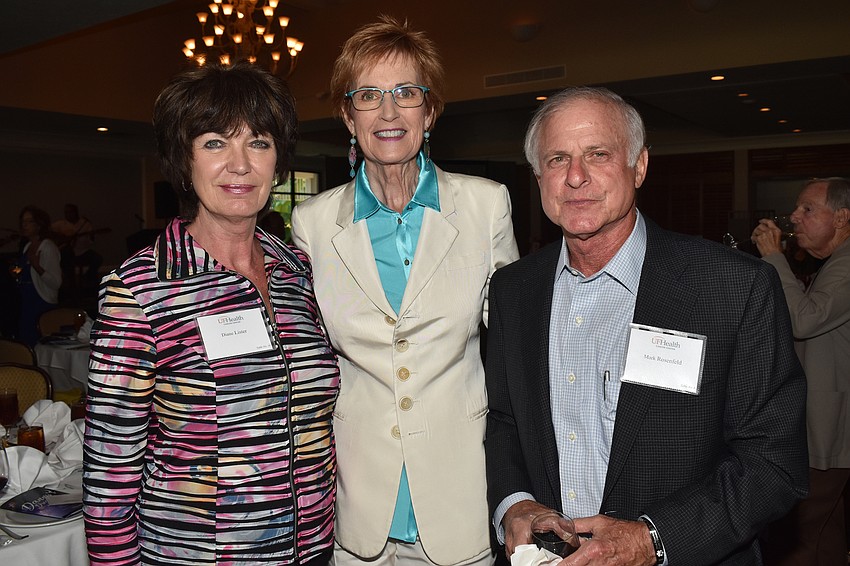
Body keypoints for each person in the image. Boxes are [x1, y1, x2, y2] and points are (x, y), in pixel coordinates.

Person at [484, 86, 809, 565]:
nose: (575, 177)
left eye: (598, 154)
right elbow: (506, 421)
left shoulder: (732, 287)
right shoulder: (514, 289)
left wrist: (652, 540)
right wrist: (516, 504)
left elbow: (774, 462)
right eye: (557, 159)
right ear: (538, 177)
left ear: (639, 166)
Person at [82, 61, 340, 566]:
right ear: (185, 159)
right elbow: (109, 474)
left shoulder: (297, 272)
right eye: (216, 143)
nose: (240, 165)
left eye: (259, 142)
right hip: (194, 555)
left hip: (312, 550)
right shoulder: (141, 288)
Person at [290, 16, 519, 566]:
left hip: (458, 495)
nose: (388, 112)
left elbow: (514, 345)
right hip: (356, 505)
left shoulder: (486, 204)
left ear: (430, 110)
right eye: (368, 95)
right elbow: (307, 356)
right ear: (348, 116)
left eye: (405, 93)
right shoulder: (313, 222)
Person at [751, 177, 850, 566]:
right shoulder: (836, 263)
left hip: (831, 428)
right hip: (829, 425)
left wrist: (774, 257)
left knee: (799, 538)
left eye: (808, 209)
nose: (794, 216)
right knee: (825, 534)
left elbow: (804, 321)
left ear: (842, 217)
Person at [16, 205, 61, 346]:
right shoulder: (27, 246)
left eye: (29, 221)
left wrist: (37, 267)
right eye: (23, 221)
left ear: (39, 225)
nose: (24, 225)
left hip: (41, 302)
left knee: (39, 343)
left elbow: (56, 283)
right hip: (26, 301)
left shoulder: (47, 247)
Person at [51, 203, 104, 287]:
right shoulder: (60, 224)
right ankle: (70, 286)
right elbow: (49, 231)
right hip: (67, 254)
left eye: (70, 212)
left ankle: (88, 278)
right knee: (66, 258)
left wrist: (91, 236)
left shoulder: (85, 224)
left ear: (75, 212)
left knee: (97, 258)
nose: (67, 214)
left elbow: (91, 241)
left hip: (83, 252)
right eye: (66, 212)